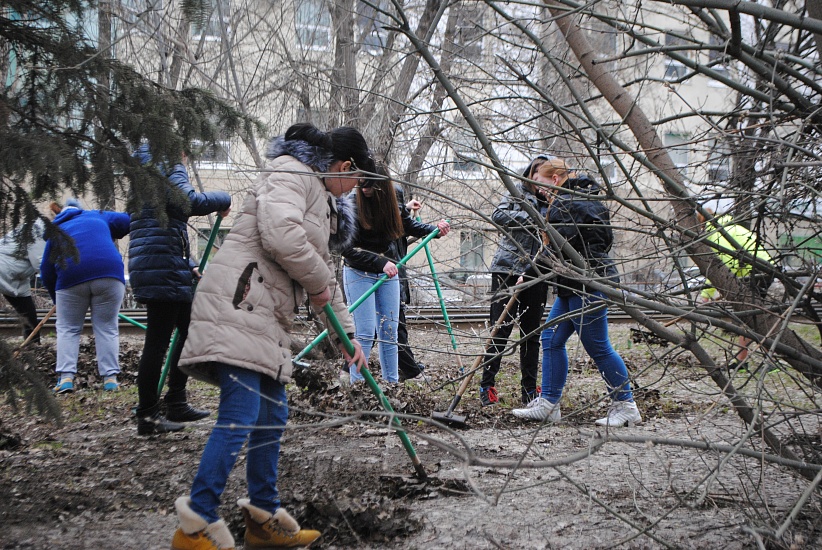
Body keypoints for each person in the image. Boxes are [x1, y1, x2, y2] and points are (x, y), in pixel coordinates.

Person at [168, 123, 368, 550]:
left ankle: (262, 519)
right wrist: (316, 287)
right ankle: (195, 523)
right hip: (239, 302)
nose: (353, 190)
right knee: (240, 412)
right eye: (355, 180)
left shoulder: (320, 198)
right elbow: (282, 236)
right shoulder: (292, 173)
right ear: (345, 166)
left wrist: (347, 339)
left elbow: (323, 276)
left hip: (263, 313)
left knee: (272, 415)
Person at [512, 158, 642, 427]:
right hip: (574, 284)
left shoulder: (569, 202)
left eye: (542, 184)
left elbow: (564, 246)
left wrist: (534, 269)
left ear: (556, 178)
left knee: (598, 346)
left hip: (587, 284)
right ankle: (548, 404)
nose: (540, 191)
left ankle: (626, 405)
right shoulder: (579, 198)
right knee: (551, 337)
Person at [129, 145, 232, 435]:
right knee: (157, 343)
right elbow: (187, 202)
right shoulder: (169, 162)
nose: (187, 160)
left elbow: (159, 225)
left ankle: (176, 400)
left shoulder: (144, 174)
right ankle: (148, 416)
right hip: (162, 270)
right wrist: (224, 197)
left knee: (189, 329)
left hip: (160, 266)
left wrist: (188, 263)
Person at [342, 163, 450, 384]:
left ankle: (391, 384)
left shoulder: (394, 197)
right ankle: (357, 386)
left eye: (369, 186)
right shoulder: (352, 204)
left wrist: (434, 231)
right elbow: (346, 250)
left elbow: (406, 224)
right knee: (364, 331)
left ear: (382, 187)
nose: (364, 189)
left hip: (388, 273)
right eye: (361, 184)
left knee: (390, 330)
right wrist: (379, 261)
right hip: (359, 272)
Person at [479, 155, 552, 406]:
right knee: (500, 330)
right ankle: (486, 385)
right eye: (535, 174)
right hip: (507, 270)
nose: (538, 181)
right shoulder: (516, 195)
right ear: (530, 175)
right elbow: (498, 217)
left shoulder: (555, 202)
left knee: (531, 334)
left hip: (538, 273)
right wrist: (532, 218)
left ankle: (529, 391)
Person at [39, 199, 130, 393]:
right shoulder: (97, 215)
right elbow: (128, 220)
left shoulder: (56, 229)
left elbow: (46, 271)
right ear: (81, 209)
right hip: (109, 272)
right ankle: (110, 379)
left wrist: (58, 301)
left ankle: (65, 379)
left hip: (71, 276)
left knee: (68, 328)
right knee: (107, 327)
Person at [696, 209, 775, 371]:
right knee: (745, 319)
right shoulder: (728, 227)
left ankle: (770, 362)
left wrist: (706, 295)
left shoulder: (716, 235)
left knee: (753, 319)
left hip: (755, 272)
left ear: (701, 224)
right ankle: (741, 361)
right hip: (761, 269)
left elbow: (717, 268)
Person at [395, 183, 432, 382]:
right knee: (390, 325)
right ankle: (410, 370)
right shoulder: (387, 217)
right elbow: (406, 225)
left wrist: (407, 209)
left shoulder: (391, 213)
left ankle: (408, 368)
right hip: (387, 274)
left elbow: (403, 223)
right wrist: (434, 229)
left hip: (392, 273)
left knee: (392, 325)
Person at [1, 217, 49, 344]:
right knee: (28, 314)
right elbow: (40, 263)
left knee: (29, 315)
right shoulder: (38, 230)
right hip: (4, 270)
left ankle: (33, 348)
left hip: (18, 279)